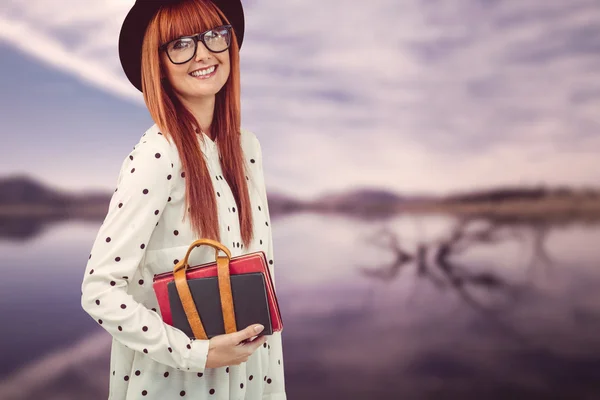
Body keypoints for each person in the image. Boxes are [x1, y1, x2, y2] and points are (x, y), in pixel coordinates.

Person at [79, 0, 286, 398]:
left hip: (252, 383)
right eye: (180, 44)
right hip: (178, 385)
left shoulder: (247, 149)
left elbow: (262, 281)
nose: (203, 53)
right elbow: (99, 290)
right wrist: (196, 353)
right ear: (156, 63)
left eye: (213, 35)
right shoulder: (159, 155)